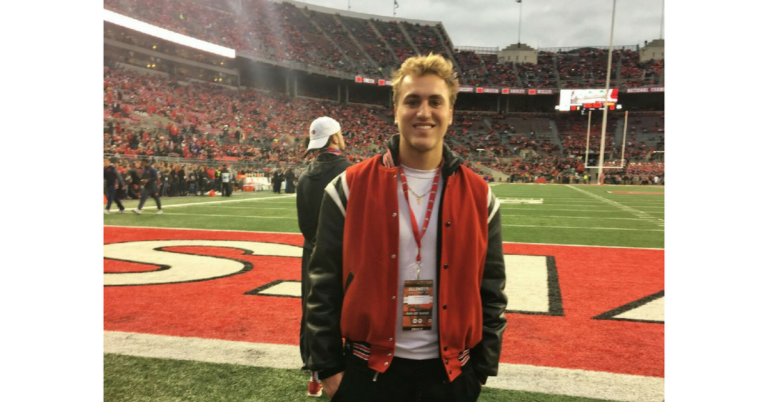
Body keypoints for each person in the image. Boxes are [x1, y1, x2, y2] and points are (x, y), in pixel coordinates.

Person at [305, 54, 507, 402]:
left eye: (435, 102)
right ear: (396, 109)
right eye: (412, 101)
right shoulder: (348, 187)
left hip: (452, 375)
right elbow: (322, 284)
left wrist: (482, 370)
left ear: (450, 112)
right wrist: (328, 367)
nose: (424, 112)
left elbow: (492, 289)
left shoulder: (479, 194)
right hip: (366, 373)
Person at [296, 116, 352, 397]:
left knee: (316, 313)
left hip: (312, 254)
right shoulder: (351, 172)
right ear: (334, 138)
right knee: (352, 311)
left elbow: (304, 226)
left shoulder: (305, 175)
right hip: (345, 254)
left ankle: (316, 375)